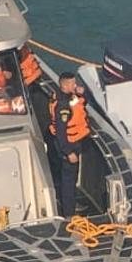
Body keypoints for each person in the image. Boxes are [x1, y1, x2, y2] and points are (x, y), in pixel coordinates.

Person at [47, 72, 92, 218]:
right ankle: (69, 213)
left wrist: (83, 93)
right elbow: (61, 133)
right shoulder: (63, 106)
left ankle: (71, 205)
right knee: (68, 181)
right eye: (72, 83)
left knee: (70, 179)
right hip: (69, 146)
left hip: (75, 142)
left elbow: (83, 103)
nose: (75, 85)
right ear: (65, 85)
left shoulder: (69, 97)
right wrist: (68, 152)